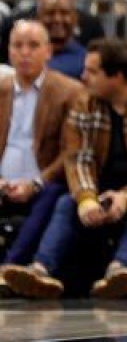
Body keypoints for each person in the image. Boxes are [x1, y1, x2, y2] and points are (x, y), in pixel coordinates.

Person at [2, 39, 127, 300]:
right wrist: (87, 200)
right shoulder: (85, 104)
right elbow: (78, 159)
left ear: (117, 76)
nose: (83, 76)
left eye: (92, 71)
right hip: (98, 188)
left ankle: (119, 271)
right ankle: (40, 271)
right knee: (66, 202)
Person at [0, 21, 85, 273]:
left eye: (33, 45)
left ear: (48, 51)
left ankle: (9, 267)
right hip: (3, 182)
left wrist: (35, 183)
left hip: (44, 183)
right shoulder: (1, 90)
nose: (25, 52)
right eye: (18, 45)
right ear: (9, 52)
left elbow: (71, 151)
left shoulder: (70, 92)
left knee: (55, 194)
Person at [37, 0, 86, 79]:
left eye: (64, 13)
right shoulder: (25, 56)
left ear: (74, 18)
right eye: (50, 13)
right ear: (39, 18)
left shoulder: (86, 60)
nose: (57, 19)